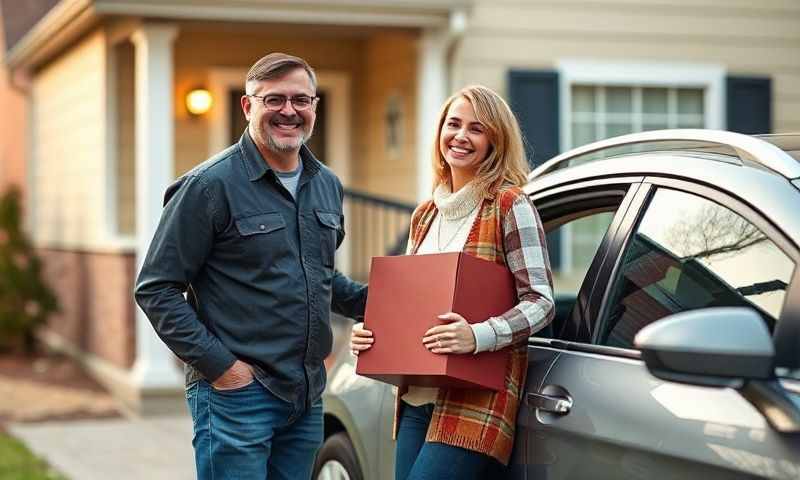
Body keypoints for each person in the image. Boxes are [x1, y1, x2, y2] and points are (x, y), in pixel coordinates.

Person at [134, 52, 367, 480]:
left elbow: (315, 275)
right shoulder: (208, 186)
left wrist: (389, 301)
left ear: (315, 107)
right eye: (273, 99)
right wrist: (223, 369)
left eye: (301, 100)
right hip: (238, 397)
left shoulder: (327, 185)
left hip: (307, 394)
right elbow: (156, 288)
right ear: (248, 106)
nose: (289, 111)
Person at [350, 85, 555, 479]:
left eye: (476, 129)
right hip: (415, 397)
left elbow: (541, 301)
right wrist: (373, 332)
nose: (461, 136)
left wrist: (478, 335)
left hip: (474, 401)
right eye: (454, 124)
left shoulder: (510, 205)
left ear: (495, 140)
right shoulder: (425, 214)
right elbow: (413, 302)